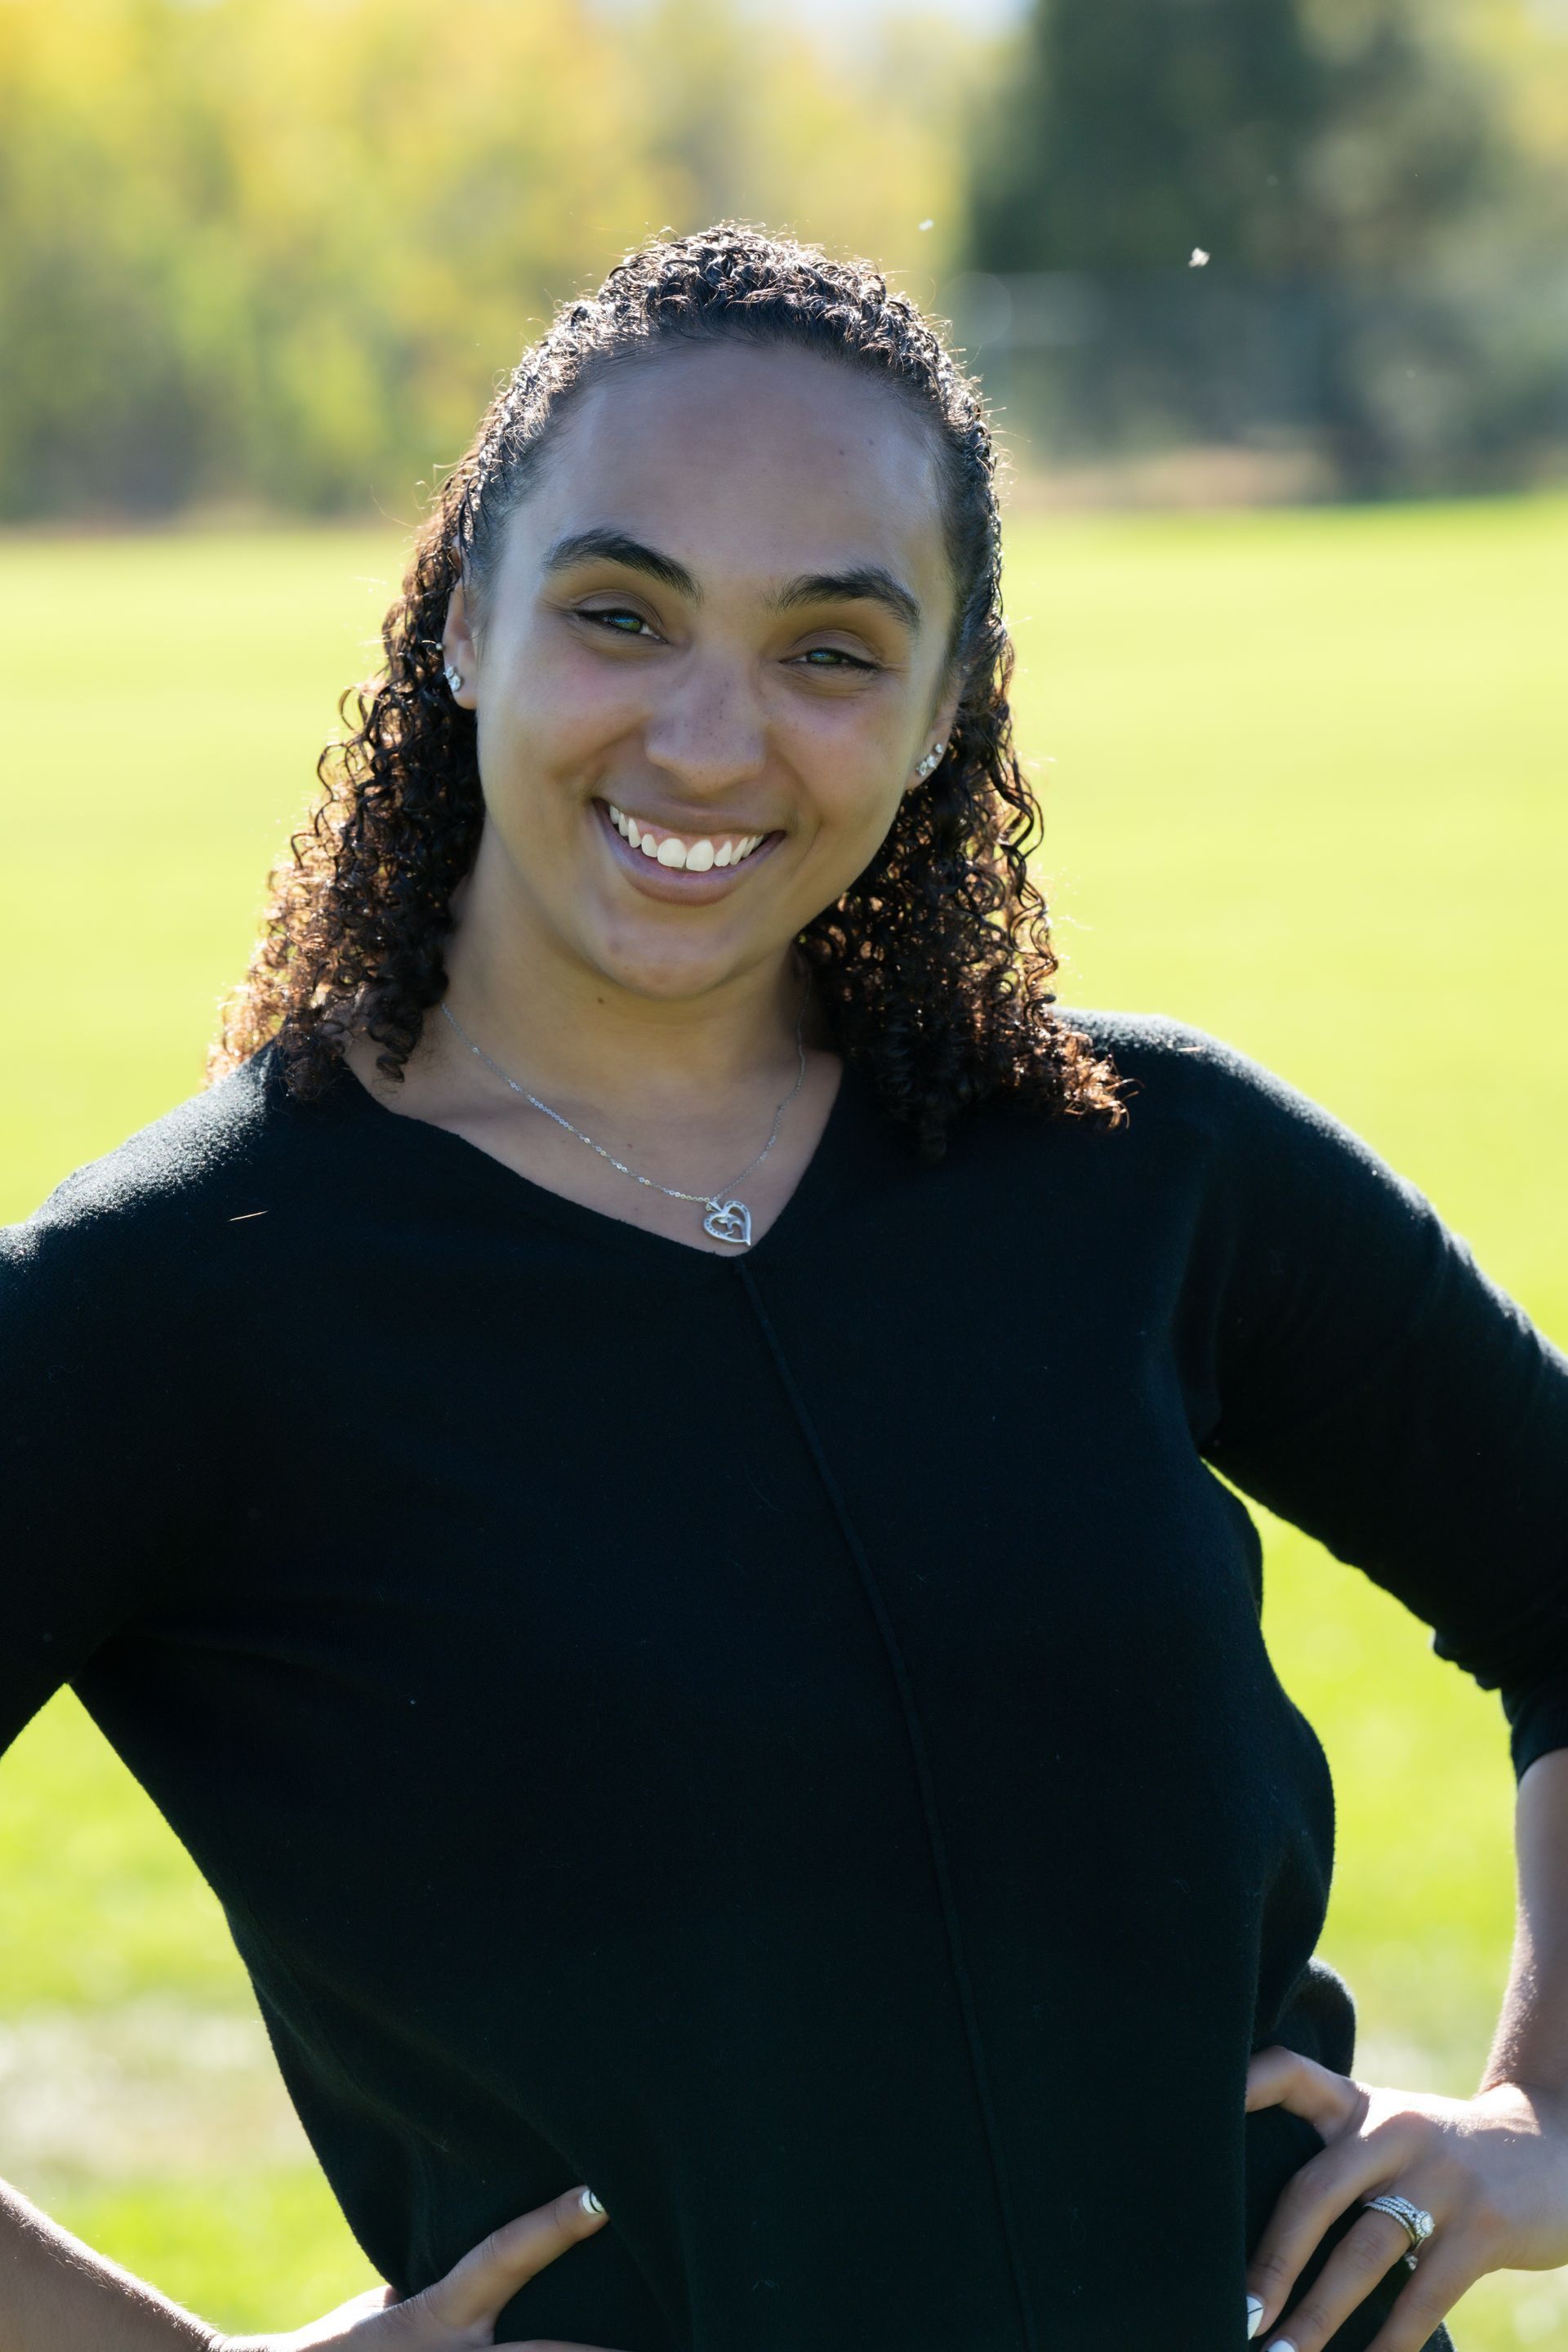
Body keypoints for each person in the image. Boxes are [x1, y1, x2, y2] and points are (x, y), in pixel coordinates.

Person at [2, 224, 1566, 2352]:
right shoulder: (185, 1299)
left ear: (945, 713)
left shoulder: (1143, 1171)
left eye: (832, 650)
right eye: (622, 614)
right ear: (465, 623)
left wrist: (1541, 2123)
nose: (711, 744)